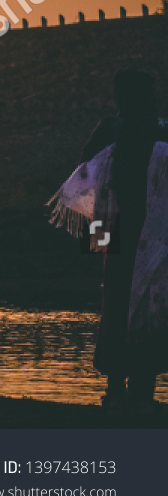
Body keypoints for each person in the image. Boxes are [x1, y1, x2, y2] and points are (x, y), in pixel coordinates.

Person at [50, 70, 168, 413]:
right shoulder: (162, 128)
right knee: (150, 304)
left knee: (115, 303)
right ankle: (142, 392)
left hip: (114, 229)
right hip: (156, 234)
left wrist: (96, 240)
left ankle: (116, 391)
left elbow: (87, 168)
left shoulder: (110, 129)